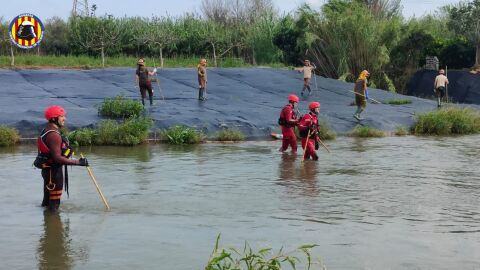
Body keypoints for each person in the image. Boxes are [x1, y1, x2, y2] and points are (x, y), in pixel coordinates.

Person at [34, 106, 88, 211]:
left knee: (46, 203)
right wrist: (78, 162)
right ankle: (54, 226)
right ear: (54, 118)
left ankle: (47, 225)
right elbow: (58, 159)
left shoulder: (46, 130)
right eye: (62, 116)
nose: (65, 119)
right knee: (54, 207)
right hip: (54, 174)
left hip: (48, 172)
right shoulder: (54, 135)